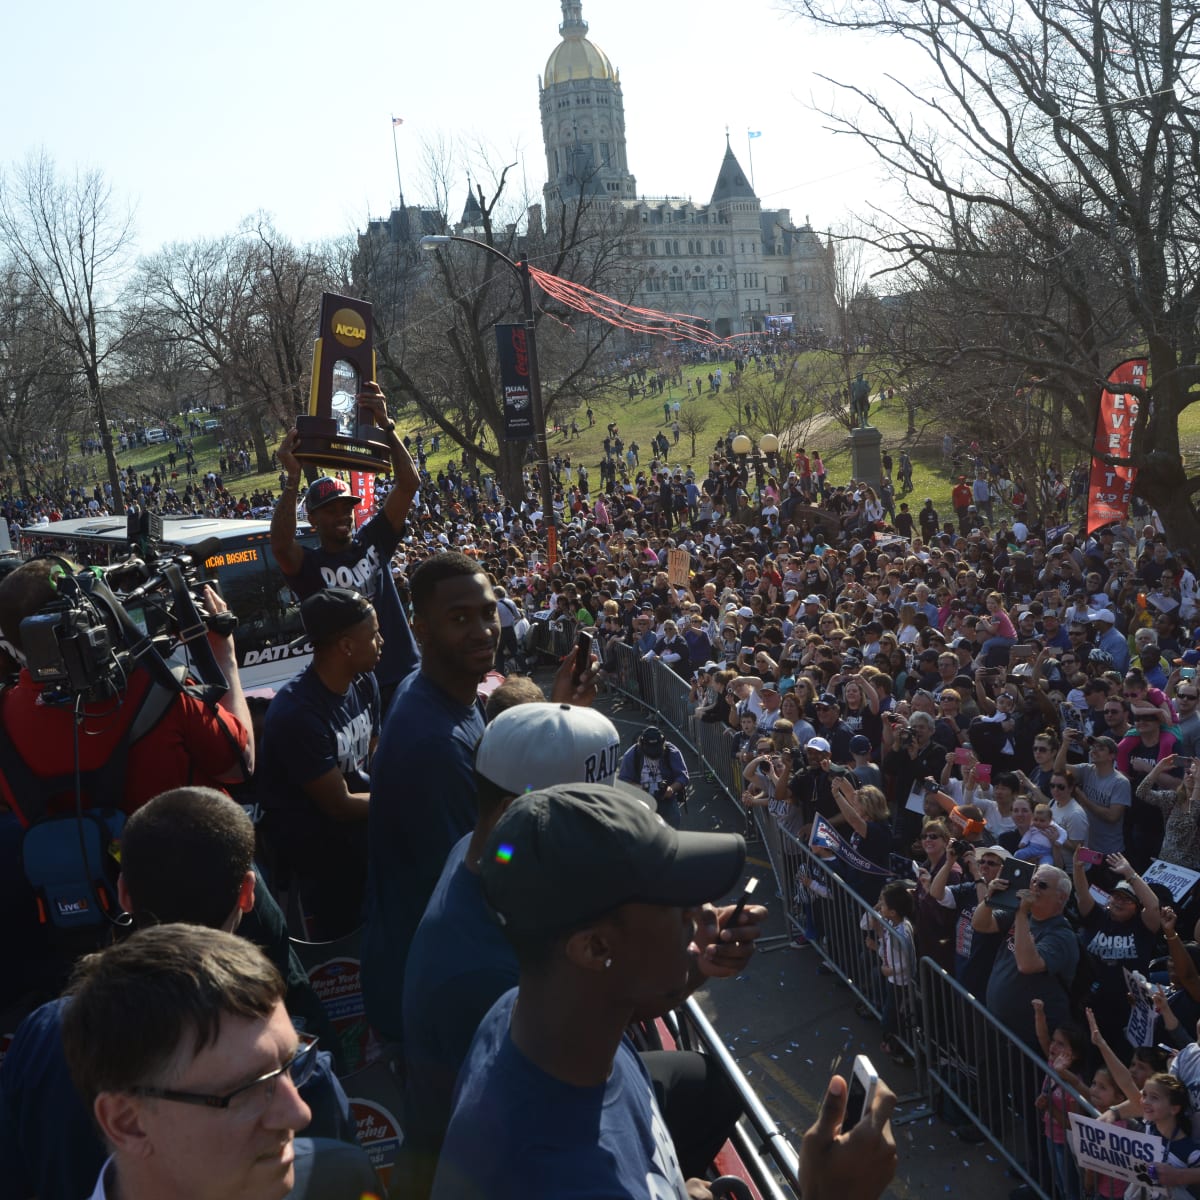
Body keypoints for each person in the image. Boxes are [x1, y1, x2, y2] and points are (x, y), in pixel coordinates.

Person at [0, 787, 359, 1200]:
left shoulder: (42, 1037)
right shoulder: (308, 1078)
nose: (294, 1111)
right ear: (247, 893)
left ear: (123, 893)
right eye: (248, 1086)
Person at [430, 782, 757, 1199]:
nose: (699, 910)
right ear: (595, 947)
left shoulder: (524, 1014)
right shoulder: (568, 1179)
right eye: (672, 898)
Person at [0, 559, 252, 1004]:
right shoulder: (157, 688)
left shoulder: (5, 722)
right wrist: (224, 658)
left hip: (92, 919)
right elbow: (240, 763)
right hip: (203, 902)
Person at [60, 925, 378, 1200]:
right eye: (249, 1089)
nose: (298, 1113)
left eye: (291, 1064)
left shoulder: (339, 1182)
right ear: (127, 1123)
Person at [362, 552, 499, 1046]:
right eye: (459, 618)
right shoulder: (434, 747)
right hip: (441, 1004)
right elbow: (483, 872)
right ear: (420, 630)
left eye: (488, 612)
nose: (482, 630)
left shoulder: (435, 692)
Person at [271, 380, 420, 699]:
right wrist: (293, 478)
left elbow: (408, 485)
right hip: (354, 692)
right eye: (330, 509)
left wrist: (387, 425)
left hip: (404, 674)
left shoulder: (374, 539)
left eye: (346, 507)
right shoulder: (311, 567)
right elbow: (282, 546)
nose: (341, 514)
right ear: (311, 519)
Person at [258, 588, 382, 939]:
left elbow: (375, 755)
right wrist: (403, 800)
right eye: (373, 634)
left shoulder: (364, 679)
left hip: (364, 844)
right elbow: (339, 806)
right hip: (321, 867)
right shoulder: (297, 713)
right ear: (345, 646)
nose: (381, 641)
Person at [617, 725, 691, 828]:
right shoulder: (631, 755)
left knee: (672, 832)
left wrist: (671, 789)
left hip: (667, 801)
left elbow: (683, 776)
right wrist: (639, 788)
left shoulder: (672, 752)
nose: (653, 754)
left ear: (663, 744)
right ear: (641, 745)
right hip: (641, 802)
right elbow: (623, 780)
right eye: (649, 751)